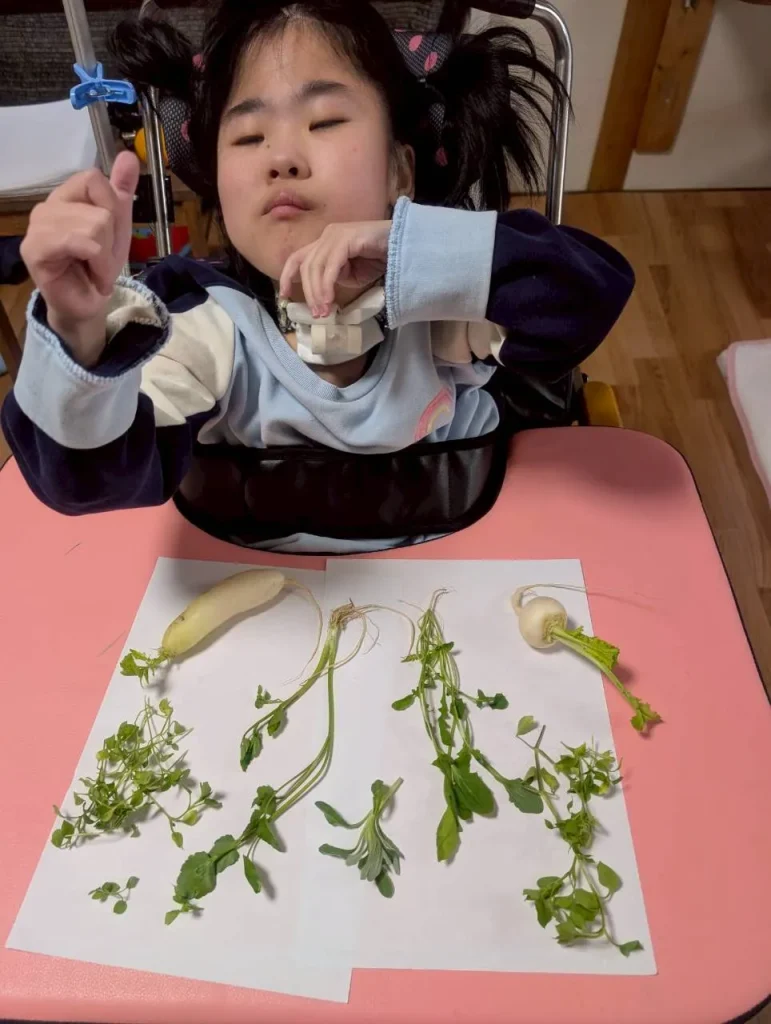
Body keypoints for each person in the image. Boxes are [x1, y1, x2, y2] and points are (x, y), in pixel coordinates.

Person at [1, 0, 634, 553]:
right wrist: (78, 332)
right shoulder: (201, 324)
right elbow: (83, 480)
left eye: (324, 122)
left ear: (400, 170)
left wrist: (414, 251)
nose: (280, 157)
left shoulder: (444, 303)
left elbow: (585, 297)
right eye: (248, 136)